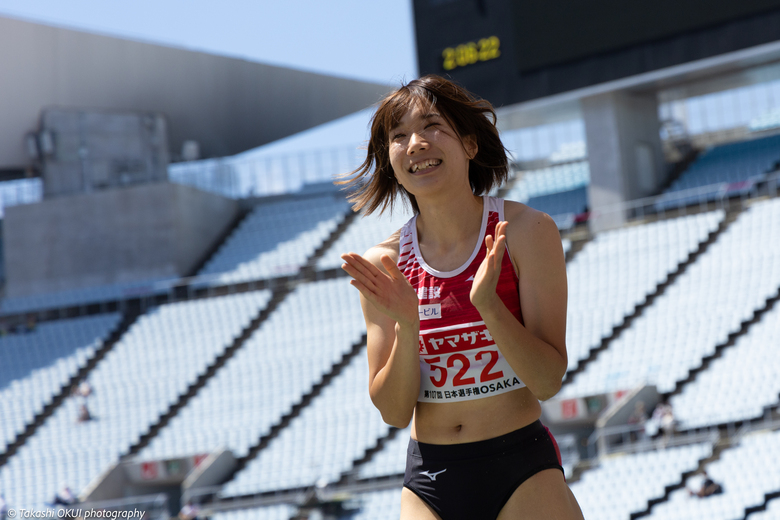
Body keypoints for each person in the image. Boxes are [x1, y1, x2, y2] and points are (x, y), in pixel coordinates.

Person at [339, 75, 583, 520]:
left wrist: (488, 306)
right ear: (390, 160)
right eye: (398, 136)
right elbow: (393, 412)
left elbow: (547, 381)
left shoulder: (529, 232)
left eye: (432, 126)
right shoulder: (384, 264)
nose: (415, 144)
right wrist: (407, 325)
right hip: (430, 477)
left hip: (521, 466)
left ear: (470, 145)